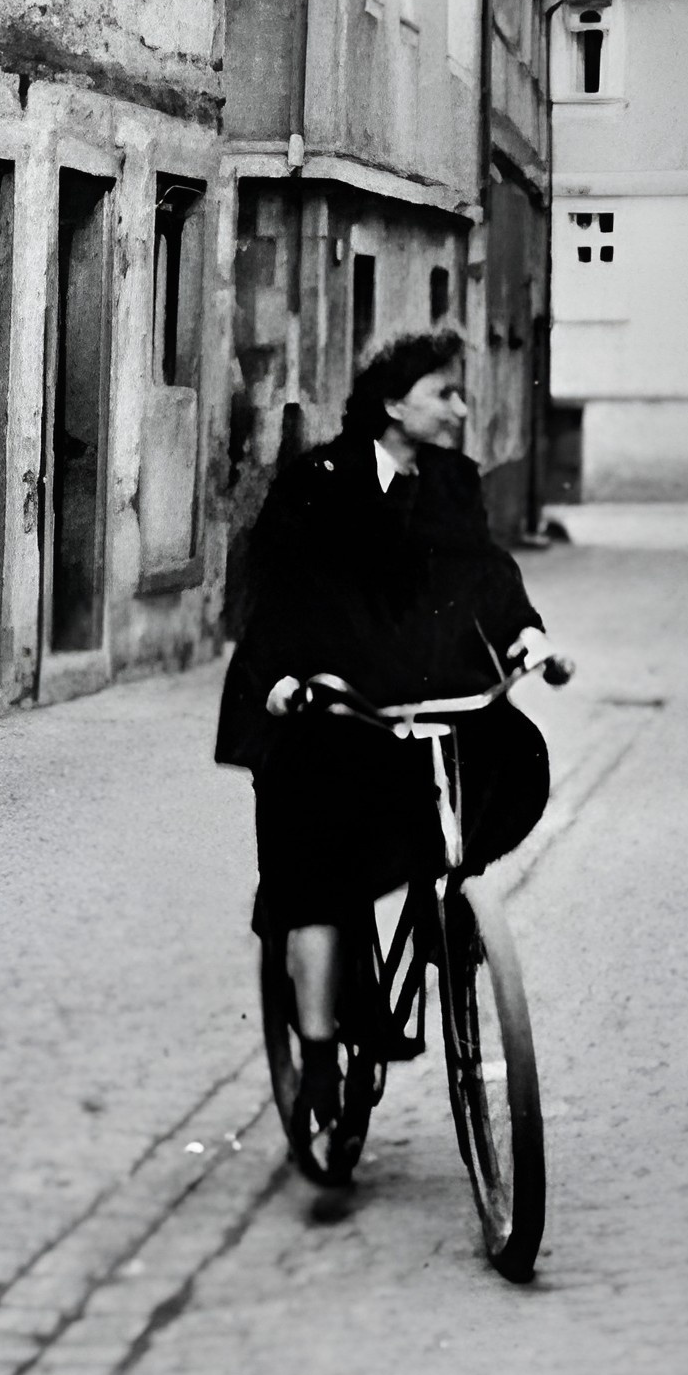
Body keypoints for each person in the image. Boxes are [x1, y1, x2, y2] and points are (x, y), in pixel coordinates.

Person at [216, 328, 557, 1123]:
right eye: (447, 394)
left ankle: (448, 913)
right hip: (323, 703)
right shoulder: (316, 481)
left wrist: (525, 635)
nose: (462, 409)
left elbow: (485, 574)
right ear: (394, 402)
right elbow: (276, 592)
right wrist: (283, 681)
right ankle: (321, 1056)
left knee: (498, 754)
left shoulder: (451, 482)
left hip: (417, 698)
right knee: (317, 878)